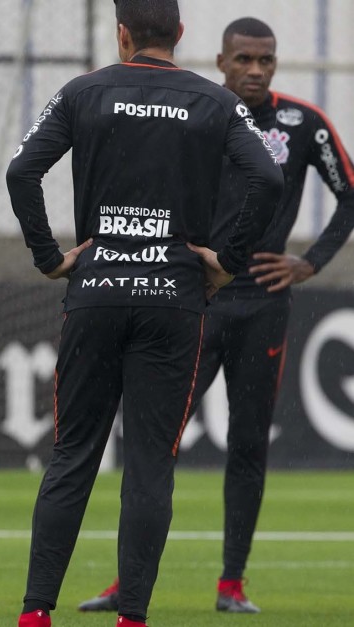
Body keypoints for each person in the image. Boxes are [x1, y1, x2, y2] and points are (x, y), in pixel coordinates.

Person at [5, 0, 284, 625]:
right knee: (151, 464)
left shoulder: (84, 91)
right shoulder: (213, 102)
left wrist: (49, 257)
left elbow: (22, 171)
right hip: (173, 297)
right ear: (181, 35)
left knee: (73, 455)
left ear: (122, 33)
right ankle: (132, 616)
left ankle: (34, 613)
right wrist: (228, 260)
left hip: (97, 291)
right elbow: (267, 177)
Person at [76, 16, 354, 616]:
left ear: (274, 64)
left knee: (248, 443)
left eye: (266, 61)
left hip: (263, 309)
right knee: (155, 442)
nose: (255, 70)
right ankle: (130, 584)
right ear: (222, 61)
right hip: (191, 303)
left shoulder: (302, 124)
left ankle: (232, 583)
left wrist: (311, 262)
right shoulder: (199, 110)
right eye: (243, 60)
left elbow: (349, 194)